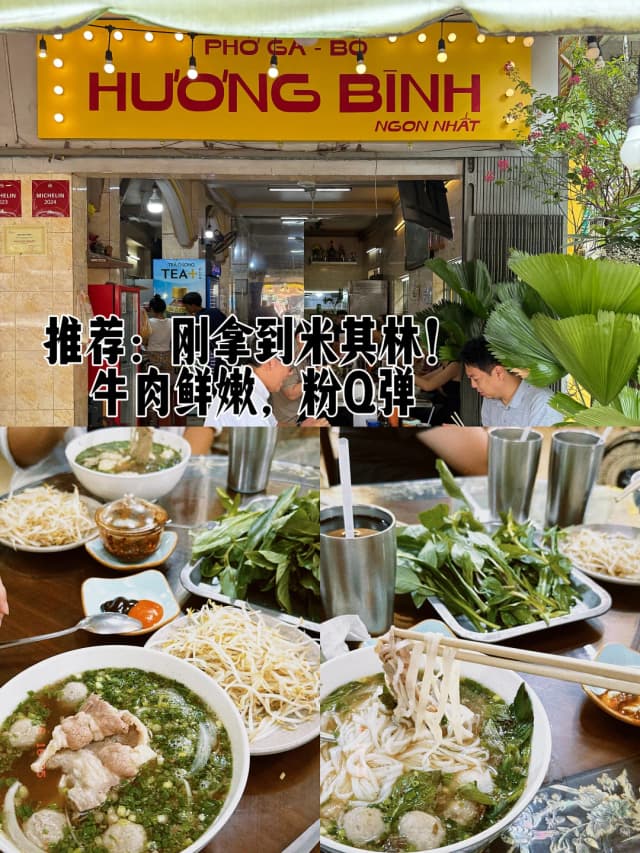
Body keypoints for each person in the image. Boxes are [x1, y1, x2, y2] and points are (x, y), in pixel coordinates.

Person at [0, 427, 217, 491]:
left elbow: (201, 421)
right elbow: (20, 453)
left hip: (166, 497)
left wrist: (171, 479)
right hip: (61, 500)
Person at [204, 356, 328, 428]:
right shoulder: (249, 406)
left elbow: (273, 424)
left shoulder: (246, 381)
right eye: (289, 368)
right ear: (271, 363)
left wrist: (301, 428)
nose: (290, 373)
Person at [460, 337, 558, 427]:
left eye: (476, 379)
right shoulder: (490, 399)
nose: (472, 385)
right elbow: (488, 441)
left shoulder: (542, 403)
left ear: (498, 373)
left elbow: (544, 446)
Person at [141, 295, 173, 426]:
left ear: (152, 309)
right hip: (167, 358)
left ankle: (152, 421)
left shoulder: (149, 323)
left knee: (151, 391)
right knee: (167, 390)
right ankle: (166, 419)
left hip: (151, 358)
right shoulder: (171, 322)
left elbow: (144, 341)